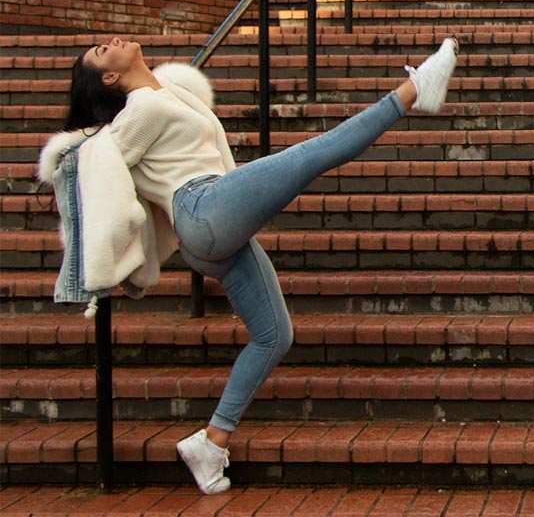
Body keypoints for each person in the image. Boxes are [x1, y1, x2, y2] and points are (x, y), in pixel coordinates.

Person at [41, 36, 458, 493]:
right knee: (313, 153)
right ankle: (415, 91)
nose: (111, 42)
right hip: (202, 207)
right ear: (110, 78)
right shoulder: (138, 111)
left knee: (274, 335)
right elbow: (96, 168)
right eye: (102, 52)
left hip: (210, 223)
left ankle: (211, 443)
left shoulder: (169, 90)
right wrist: (95, 258)